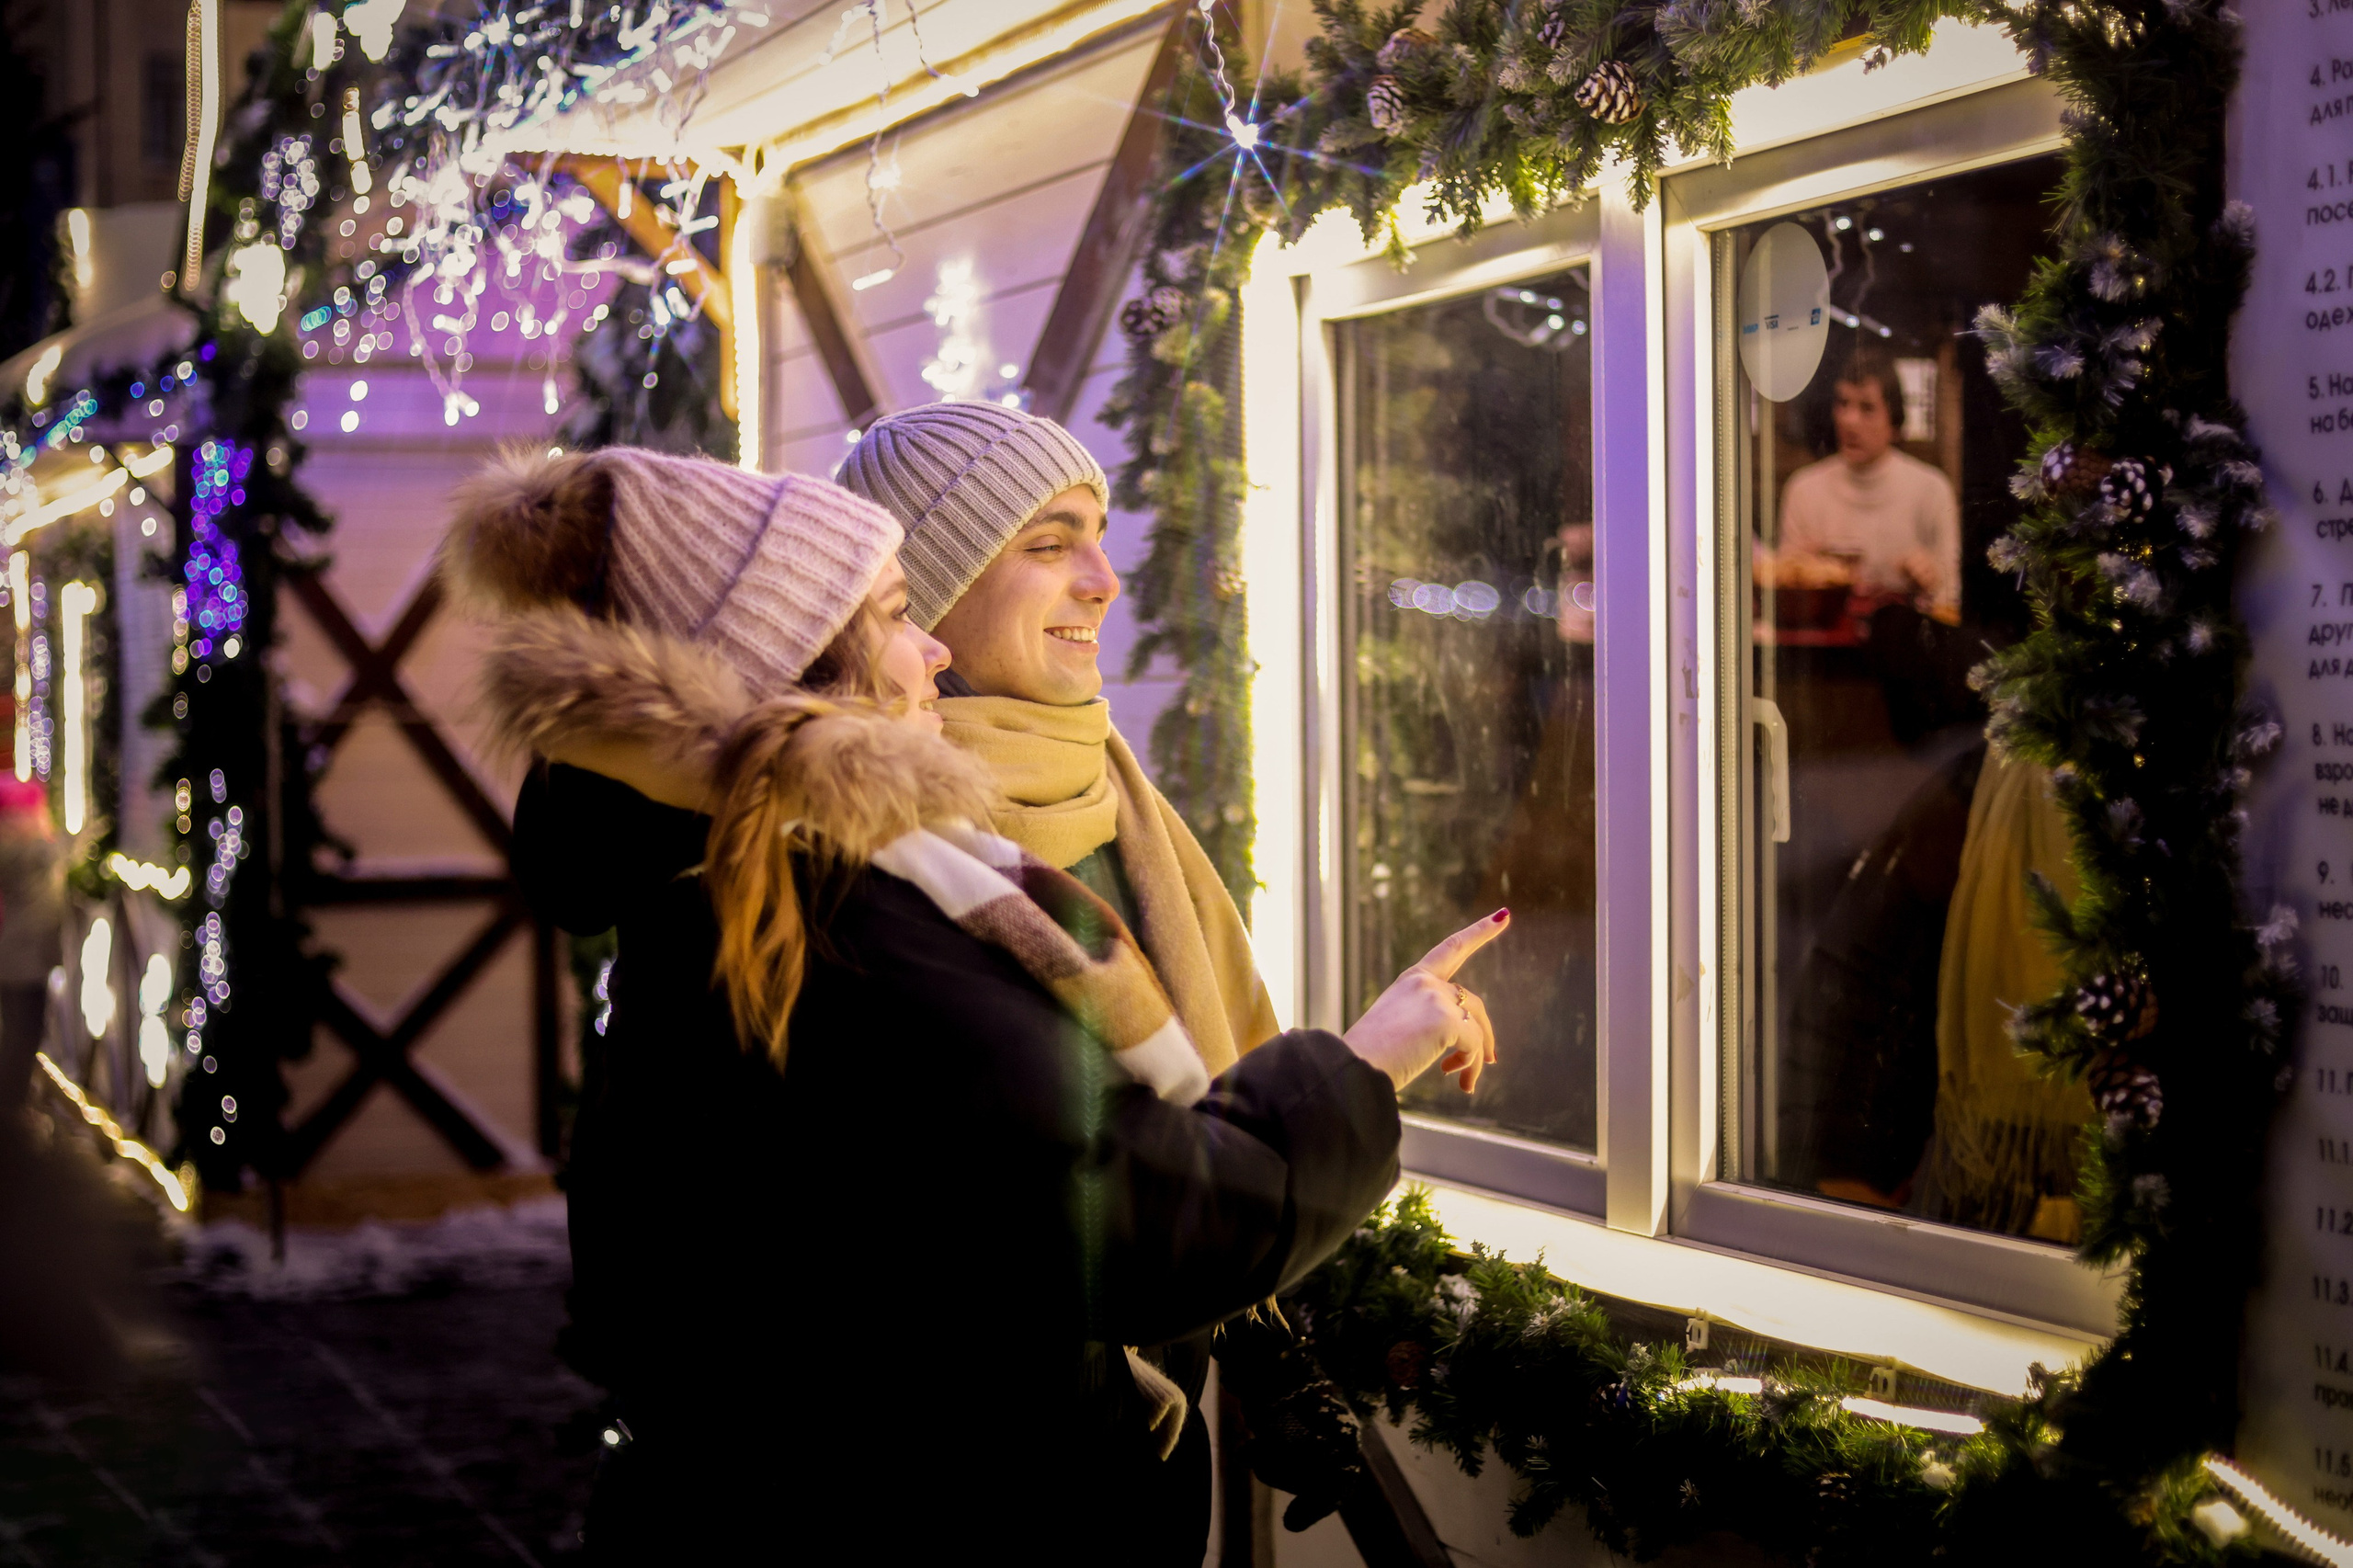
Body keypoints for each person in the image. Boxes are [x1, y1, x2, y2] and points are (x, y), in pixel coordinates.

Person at [441, 446, 1506, 1562]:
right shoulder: (837, 913)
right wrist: (1365, 1063)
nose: (932, 656)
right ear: (803, 668)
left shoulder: (777, 871)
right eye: (901, 616)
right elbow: (1128, 1217)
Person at [835, 403, 1279, 1078]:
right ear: (918, 598)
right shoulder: (862, 859)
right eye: (1048, 546)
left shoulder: (1113, 794)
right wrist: (1351, 1075)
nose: (1106, 582)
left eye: (1099, 539)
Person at [1771, 348, 1961, 625]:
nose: (1849, 420)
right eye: (1843, 404)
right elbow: (1783, 595)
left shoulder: (1931, 490)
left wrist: (1932, 580)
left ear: (1894, 423)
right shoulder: (1803, 489)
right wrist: (1797, 573)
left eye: (1867, 408)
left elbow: (1951, 599)